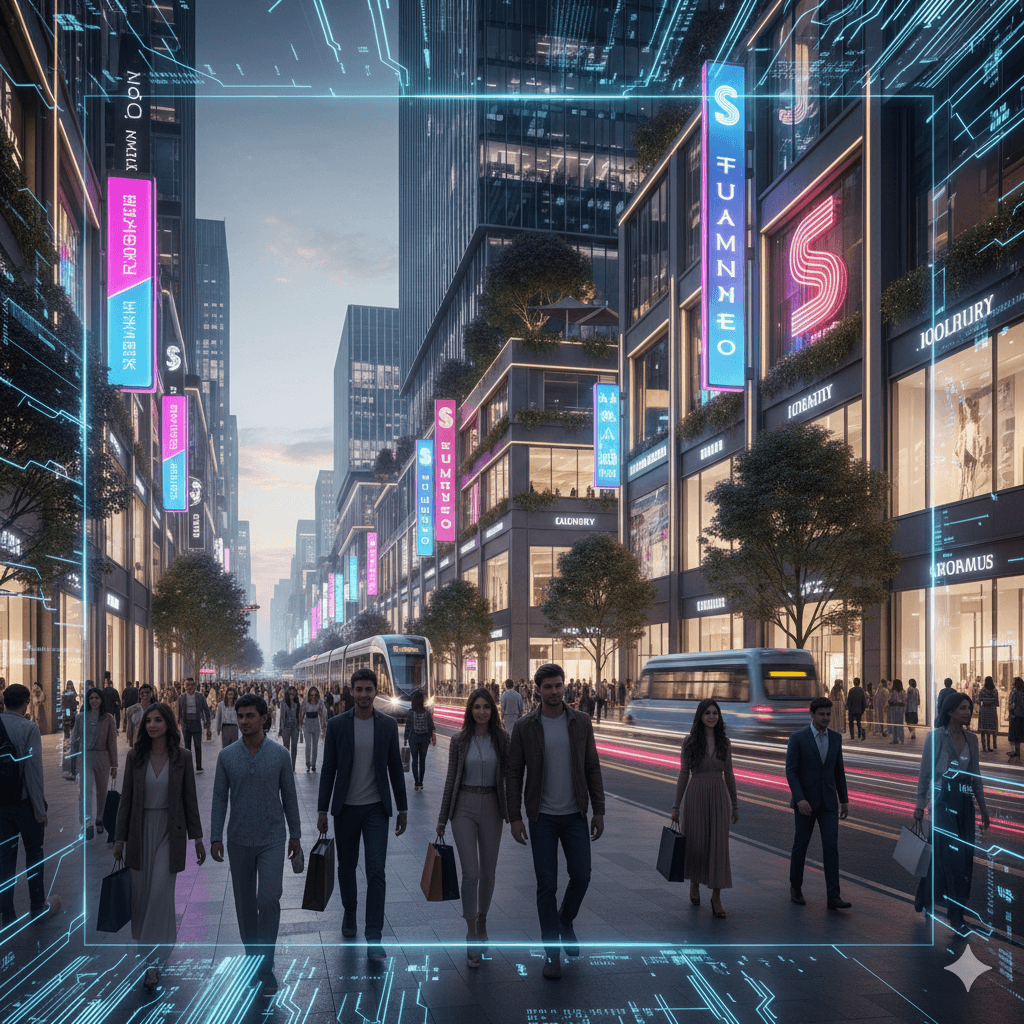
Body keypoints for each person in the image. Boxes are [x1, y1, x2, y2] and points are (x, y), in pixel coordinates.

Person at [506, 663, 605, 981]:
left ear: (565, 688)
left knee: (582, 876)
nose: (554, 691)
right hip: (542, 818)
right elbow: (513, 774)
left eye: (558, 685)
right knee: (546, 886)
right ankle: (552, 955)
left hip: (575, 814)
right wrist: (514, 817)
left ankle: (565, 920)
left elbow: (592, 766)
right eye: (547, 686)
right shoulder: (524, 726)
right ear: (537, 690)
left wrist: (599, 810)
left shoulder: (581, 722)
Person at [210, 694, 301, 996]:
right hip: (238, 840)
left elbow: (289, 797)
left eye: (250, 716)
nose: (245, 721)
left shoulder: (280, 755)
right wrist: (215, 836)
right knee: (245, 906)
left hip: (273, 838)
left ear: (264, 718)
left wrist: (296, 835)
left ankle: (266, 966)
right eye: (241, 716)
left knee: (268, 900)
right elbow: (220, 798)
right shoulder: (227, 756)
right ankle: (253, 960)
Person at [112, 702, 205, 990]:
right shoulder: (135, 757)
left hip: (169, 832)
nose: (152, 725)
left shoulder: (183, 757)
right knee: (142, 899)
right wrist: (119, 838)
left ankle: (153, 962)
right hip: (140, 833)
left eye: (158, 720)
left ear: (168, 723)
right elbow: (125, 800)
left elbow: (190, 800)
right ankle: (149, 954)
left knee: (160, 895)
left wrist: (198, 838)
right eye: (148, 721)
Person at [317, 668, 408, 960]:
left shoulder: (387, 725)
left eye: (369, 689)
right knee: (346, 867)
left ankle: (374, 936)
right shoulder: (337, 725)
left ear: (375, 692)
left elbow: (395, 768)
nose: (364, 694)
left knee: (376, 870)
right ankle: (350, 910)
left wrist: (403, 808)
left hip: (375, 810)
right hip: (345, 809)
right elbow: (328, 768)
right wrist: (322, 808)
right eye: (359, 689)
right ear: (351, 691)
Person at [436, 687, 511, 967]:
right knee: (471, 872)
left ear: (493, 711)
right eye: (477, 707)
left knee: (488, 871)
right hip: (464, 807)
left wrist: (514, 815)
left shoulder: (503, 739)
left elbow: (512, 777)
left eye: (486, 707)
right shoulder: (459, 740)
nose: (482, 711)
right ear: (470, 710)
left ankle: (482, 922)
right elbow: (450, 779)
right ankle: (470, 934)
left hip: (492, 806)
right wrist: (442, 818)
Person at [913, 690, 989, 930]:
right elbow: (925, 773)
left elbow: (975, 776)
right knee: (953, 860)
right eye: (963, 709)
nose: (968, 713)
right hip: (943, 803)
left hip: (965, 805)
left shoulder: (972, 740)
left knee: (964, 860)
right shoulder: (935, 737)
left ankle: (927, 899)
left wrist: (983, 808)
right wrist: (919, 805)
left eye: (969, 708)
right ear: (950, 712)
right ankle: (955, 916)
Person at [670, 699, 738, 919]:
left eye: (715, 713)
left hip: (719, 797)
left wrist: (735, 804)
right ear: (700, 716)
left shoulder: (725, 742)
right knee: (697, 843)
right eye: (707, 713)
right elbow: (683, 774)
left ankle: (716, 897)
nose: (711, 717)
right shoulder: (689, 742)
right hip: (696, 795)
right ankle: (694, 883)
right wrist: (676, 806)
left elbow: (729, 775)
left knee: (718, 846)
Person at [0, 684, 62, 927]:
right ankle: (37, 906)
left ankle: (7, 912)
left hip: (2, 806)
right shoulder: (28, 727)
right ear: (26, 702)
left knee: (6, 857)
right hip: (25, 803)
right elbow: (33, 771)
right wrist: (40, 809)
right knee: (34, 853)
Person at [785, 696, 851, 910]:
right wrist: (799, 798)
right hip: (805, 803)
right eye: (821, 714)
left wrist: (844, 799)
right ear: (812, 715)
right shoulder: (797, 738)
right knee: (800, 846)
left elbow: (838, 770)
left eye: (828, 714)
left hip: (829, 803)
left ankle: (833, 895)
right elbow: (791, 771)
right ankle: (796, 887)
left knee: (831, 847)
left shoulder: (836, 738)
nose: (826, 718)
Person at [70, 687, 119, 839]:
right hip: (86, 757)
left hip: (103, 757)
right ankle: (87, 822)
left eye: (97, 698)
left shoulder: (108, 718)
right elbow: (74, 739)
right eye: (91, 698)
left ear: (101, 700)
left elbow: (112, 742)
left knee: (102, 792)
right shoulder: (81, 717)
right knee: (85, 791)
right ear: (87, 700)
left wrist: (114, 764)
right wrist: (72, 760)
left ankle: (100, 818)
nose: (94, 701)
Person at [403, 689, 436, 792]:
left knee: (414, 761)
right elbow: (431, 726)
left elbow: (408, 725)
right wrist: (432, 736)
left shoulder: (411, 712)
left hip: (413, 738)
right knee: (422, 761)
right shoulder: (427, 712)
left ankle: (416, 783)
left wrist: (405, 737)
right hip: (425, 739)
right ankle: (421, 783)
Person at [176, 678, 211, 773]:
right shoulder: (181, 697)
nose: (189, 687)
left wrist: (208, 724)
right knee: (187, 748)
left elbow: (206, 710)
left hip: (196, 723)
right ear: (184, 686)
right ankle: (188, 767)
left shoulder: (200, 696)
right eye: (187, 685)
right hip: (186, 724)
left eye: (191, 684)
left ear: (195, 686)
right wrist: (177, 724)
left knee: (198, 745)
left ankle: (199, 766)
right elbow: (178, 712)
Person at [301, 686, 328, 772]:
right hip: (307, 724)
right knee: (308, 745)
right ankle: (308, 763)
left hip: (316, 724)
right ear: (309, 695)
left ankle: (314, 764)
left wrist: (323, 724)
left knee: (315, 745)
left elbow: (322, 713)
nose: (313, 697)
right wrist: (300, 724)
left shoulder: (320, 702)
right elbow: (301, 713)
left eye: (315, 695)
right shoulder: (305, 702)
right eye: (311, 695)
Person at [278, 686, 301, 770]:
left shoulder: (297, 704)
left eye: (293, 693)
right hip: (286, 728)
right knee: (286, 747)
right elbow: (281, 717)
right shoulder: (283, 703)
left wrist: (300, 728)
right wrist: (280, 729)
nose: (292, 694)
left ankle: (293, 766)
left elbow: (299, 716)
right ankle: (286, 765)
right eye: (290, 693)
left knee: (294, 747)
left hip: (295, 727)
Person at [977, 676, 999, 752]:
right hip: (992, 710)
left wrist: (984, 703)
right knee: (990, 729)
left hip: (984, 710)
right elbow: (996, 702)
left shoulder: (982, 691)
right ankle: (991, 746)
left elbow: (979, 701)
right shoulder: (995, 690)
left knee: (983, 729)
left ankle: (984, 747)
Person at [1008, 677, 1024, 764]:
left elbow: (1011, 704)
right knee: (1020, 736)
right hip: (1022, 717)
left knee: (1016, 738)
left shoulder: (1014, 692)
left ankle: (1017, 756)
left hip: (1016, 716)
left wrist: (1010, 712)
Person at [888, 679, 906, 745]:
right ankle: (901, 739)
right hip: (900, 709)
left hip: (894, 708)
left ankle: (895, 739)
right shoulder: (903, 692)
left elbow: (890, 700)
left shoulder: (893, 692)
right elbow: (904, 701)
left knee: (894, 724)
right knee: (900, 724)